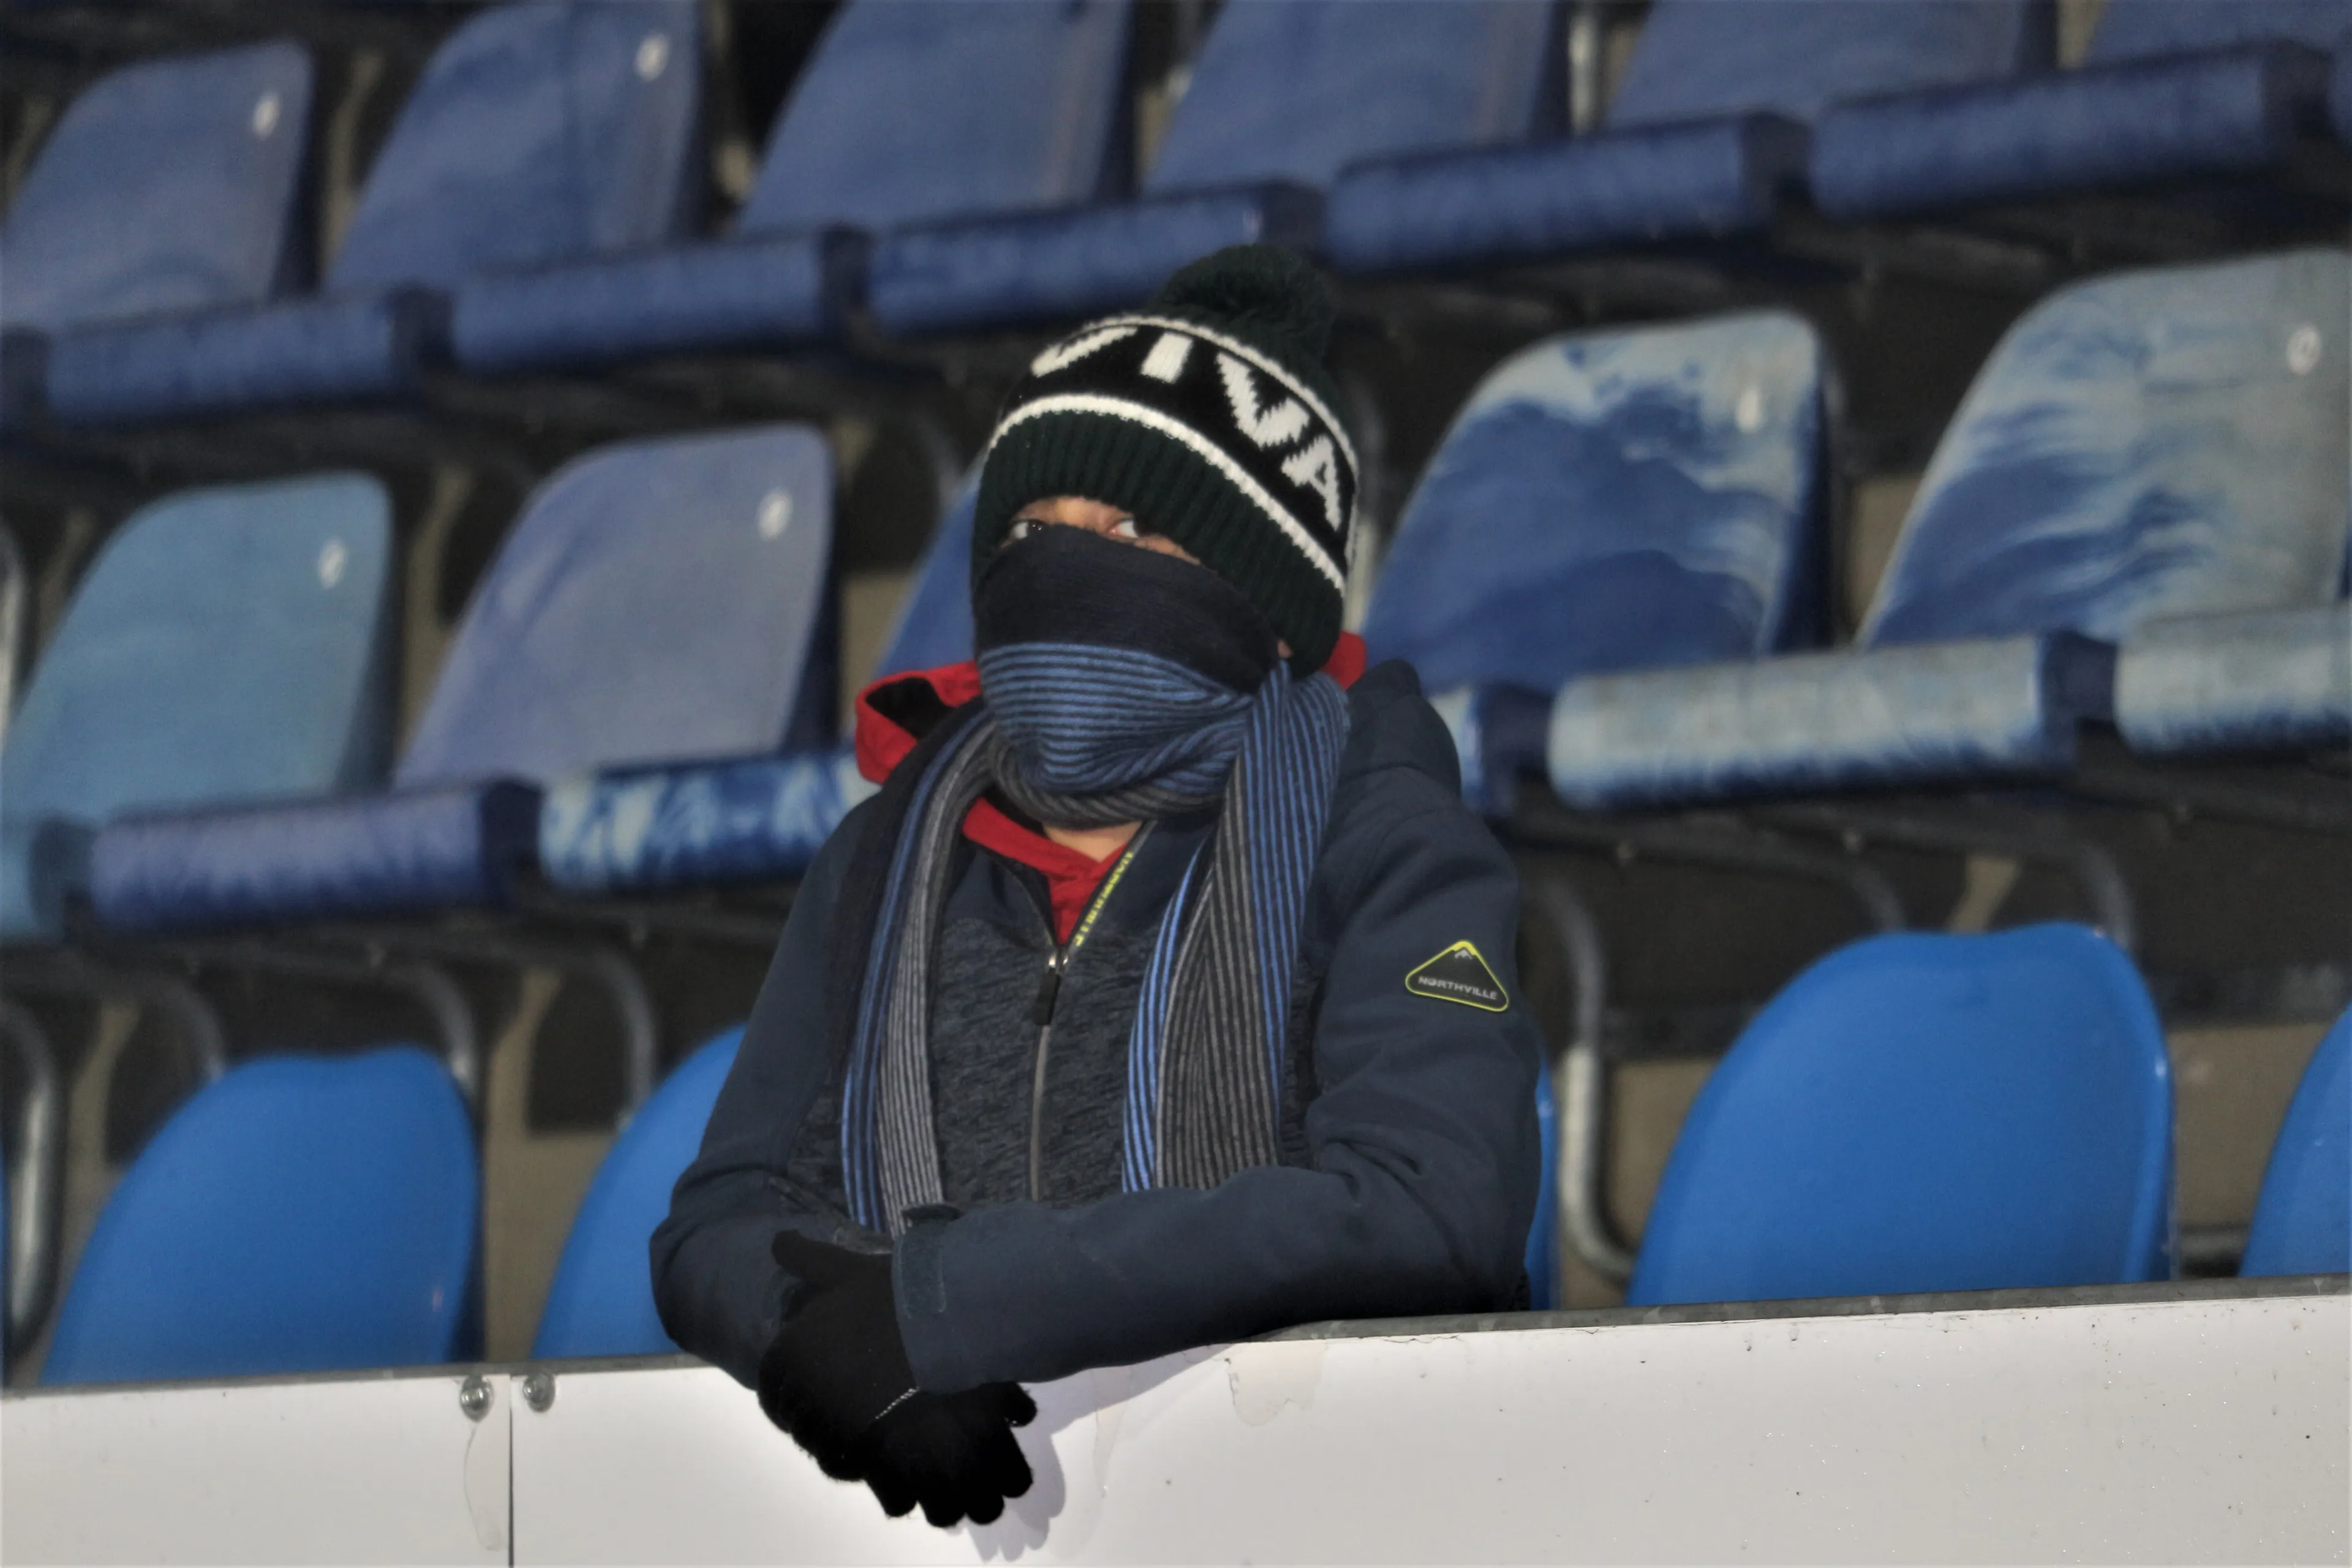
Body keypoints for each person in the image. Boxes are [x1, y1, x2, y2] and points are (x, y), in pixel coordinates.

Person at [652, 245, 1541, 1529]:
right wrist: (836, 1344)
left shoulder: (1379, 822)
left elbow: (1432, 1208)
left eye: (1126, 529)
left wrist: (949, 1300)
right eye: (1027, 530)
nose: (1060, 566)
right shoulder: (884, 852)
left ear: (1266, 597)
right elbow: (717, 1224)